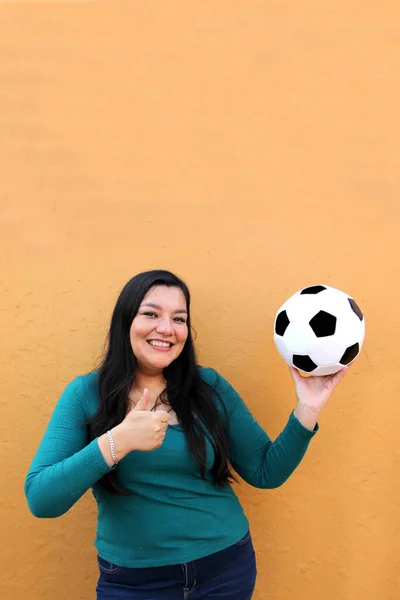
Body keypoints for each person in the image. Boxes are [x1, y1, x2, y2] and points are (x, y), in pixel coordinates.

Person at [24, 269, 348, 600]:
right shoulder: (85, 395)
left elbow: (266, 472)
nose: (166, 328)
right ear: (125, 321)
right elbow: (42, 499)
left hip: (224, 570)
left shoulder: (210, 387)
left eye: (179, 319)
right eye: (151, 313)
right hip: (134, 583)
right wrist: (117, 442)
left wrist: (308, 408)